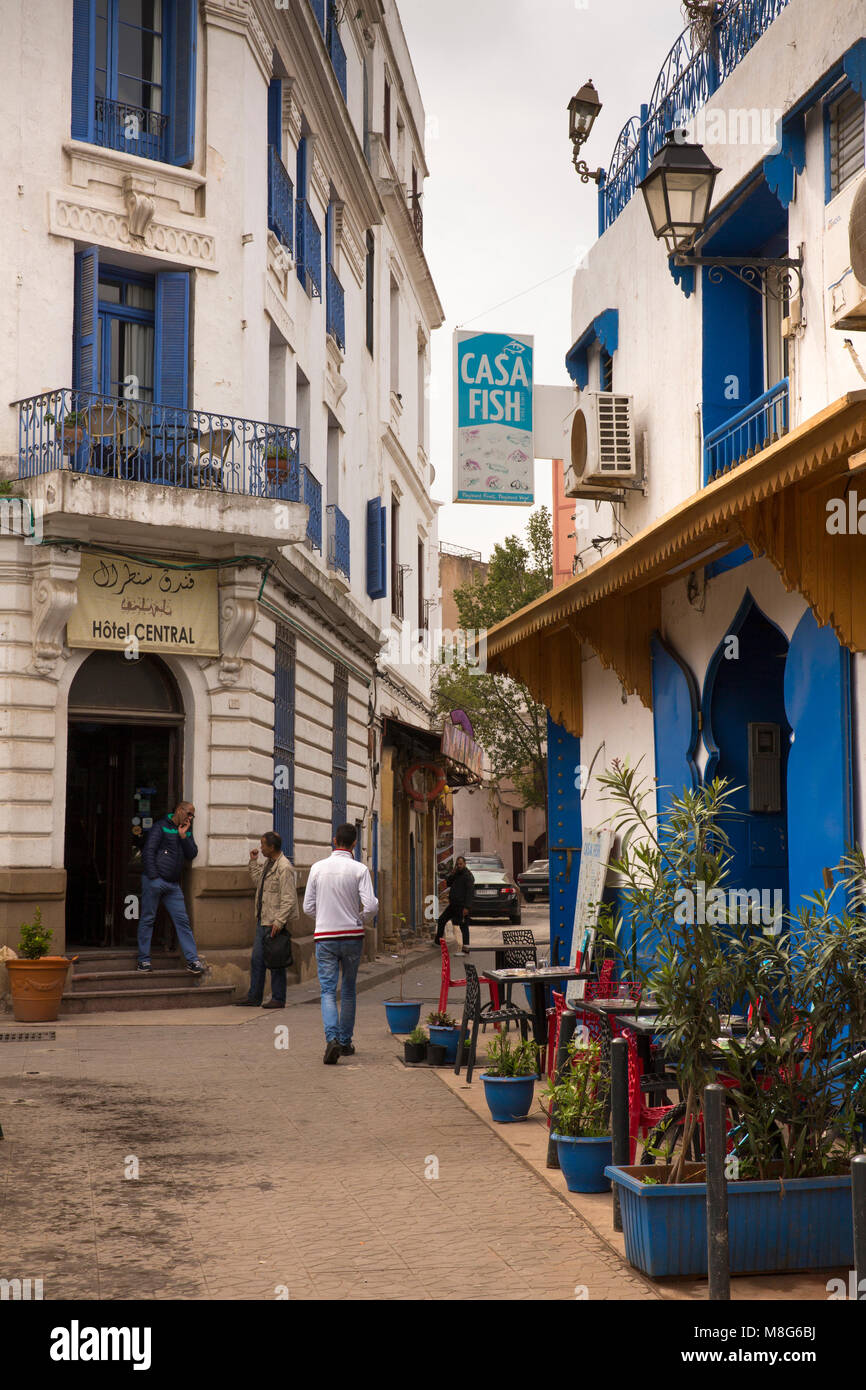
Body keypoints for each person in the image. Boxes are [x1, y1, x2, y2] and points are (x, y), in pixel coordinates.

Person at [304, 823, 378, 1065]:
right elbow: (372, 906)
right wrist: (359, 918)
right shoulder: (359, 869)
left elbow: (307, 907)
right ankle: (345, 1042)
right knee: (347, 989)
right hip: (352, 937)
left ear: (334, 840)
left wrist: (324, 918)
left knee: (327, 990)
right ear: (354, 843)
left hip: (324, 937)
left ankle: (332, 1038)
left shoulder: (317, 868)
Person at [234, 831, 299, 1009]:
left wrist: (279, 922)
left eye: (263, 845)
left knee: (276, 961)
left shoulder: (284, 867)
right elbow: (258, 882)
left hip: (273, 923)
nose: (261, 847)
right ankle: (254, 996)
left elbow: (289, 898)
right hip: (263, 920)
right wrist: (253, 862)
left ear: (271, 847)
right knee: (257, 960)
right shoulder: (269, 864)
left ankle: (278, 998)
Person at [137, 802, 205, 974]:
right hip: (155, 881)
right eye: (189, 814)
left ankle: (192, 960)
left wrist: (183, 836)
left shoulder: (186, 830)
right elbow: (148, 852)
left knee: (182, 922)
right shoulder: (161, 826)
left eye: (192, 816)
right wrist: (154, 877)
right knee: (147, 919)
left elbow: (192, 853)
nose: (190, 818)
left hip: (173, 885)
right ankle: (143, 961)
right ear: (179, 810)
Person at [435, 856, 474, 954]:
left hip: (462, 906)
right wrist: (452, 874)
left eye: (461, 864)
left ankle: (466, 948)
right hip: (453, 905)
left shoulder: (468, 876)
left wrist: (467, 907)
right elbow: (449, 883)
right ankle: (437, 942)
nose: (459, 866)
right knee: (442, 920)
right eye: (458, 864)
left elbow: (470, 893)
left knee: (464, 927)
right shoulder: (456, 874)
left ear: (464, 864)